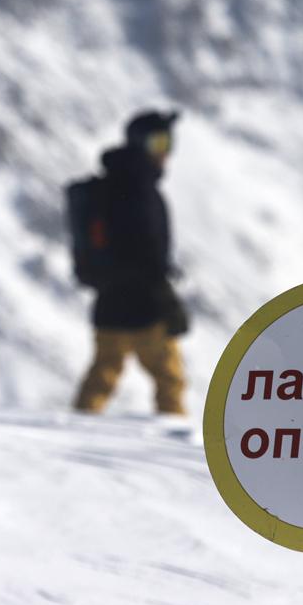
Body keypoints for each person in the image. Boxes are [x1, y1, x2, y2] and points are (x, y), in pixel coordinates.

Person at [74, 109, 189, 415]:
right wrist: (166, 299)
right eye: (158, 143)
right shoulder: (140, 191)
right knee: (170, 381)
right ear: (141, 143)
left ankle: (74, 434)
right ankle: (176, 446)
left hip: (108, 306)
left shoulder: (108, 187)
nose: (165, 152)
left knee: (100, 379)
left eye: (167, 142)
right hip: (145, 309)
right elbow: (148, 252)